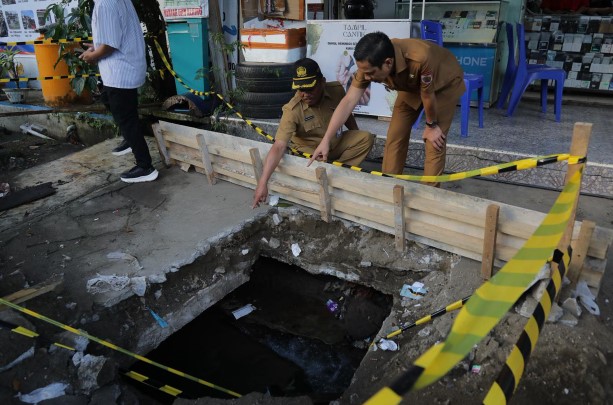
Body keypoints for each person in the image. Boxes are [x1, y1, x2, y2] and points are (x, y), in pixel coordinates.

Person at [308, 32, 465, 187]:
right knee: (395, 135)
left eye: (370, 74)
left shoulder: (420, 58)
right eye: (364, 73)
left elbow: (428, 95)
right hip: (410, 86)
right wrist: (326, 140)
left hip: (442, 84)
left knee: (434, 141)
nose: (366, 78)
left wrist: (431, 125)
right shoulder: (368, 64)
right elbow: (348, 101)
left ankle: (429, 194)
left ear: (388, 63)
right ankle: (389, 186)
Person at [252, 58, 374, 208]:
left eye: (310, 88)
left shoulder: (336, 90)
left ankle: (337, 174)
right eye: (300, 90)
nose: (305, 94)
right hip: (312, 155)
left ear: (322, 82)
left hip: (335, 145)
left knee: (365, 138)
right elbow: (278, 147)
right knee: (316, 167)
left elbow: (346, 115)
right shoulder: (292, 110)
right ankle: (336, 177)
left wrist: (354, 134)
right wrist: (262, 183)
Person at [79, 0, 158, 183]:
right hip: (124, 67)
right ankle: (130, 139)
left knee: (127, 118)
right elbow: (115, 34)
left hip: (121, 71)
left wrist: (93, 55)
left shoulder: (104, 3)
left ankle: (145, 167)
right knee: (108, 100)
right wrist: (96, 46)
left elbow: (110, 44)